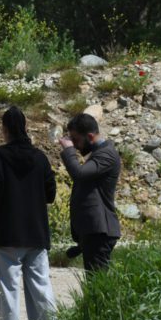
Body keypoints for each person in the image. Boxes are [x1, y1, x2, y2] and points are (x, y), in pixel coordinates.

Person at [0, 106, 57, 320]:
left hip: (8, 232)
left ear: (5, 129)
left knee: (9, 289)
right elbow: (51, 194)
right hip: (36, 232)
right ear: (25, 127)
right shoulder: (40, 157)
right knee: (41, 287)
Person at [58, 113, 122, 272]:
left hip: (100, 231)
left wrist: (69, 151)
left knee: (98, 286)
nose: (76, 145)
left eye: (76, 140)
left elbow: (79, 174)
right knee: (95, 284)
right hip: (94, 232)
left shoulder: (106, 154)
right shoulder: (98, 154)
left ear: (90, 136)